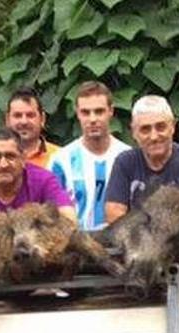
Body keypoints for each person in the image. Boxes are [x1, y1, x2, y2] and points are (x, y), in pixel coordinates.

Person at [104, 95, 179, 222]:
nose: (154, 137)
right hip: (136, 239)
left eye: (161, 127)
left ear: (173, 127)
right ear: (134, 132)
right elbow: (114, 215)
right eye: (145, 129)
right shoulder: (125, 162)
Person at [48, 81, 131, 230]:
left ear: (110, 111)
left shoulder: (128, 157)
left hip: (120, 248)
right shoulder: (60, 161)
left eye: (99, 111)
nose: (92, 119)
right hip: (74, 248)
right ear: (77, 113)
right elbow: (50, 213)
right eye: (86, 112)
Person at [0, 128, 75, 218]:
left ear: (23, 159)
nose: (3, 164)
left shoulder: (44, 180)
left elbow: (68, 218)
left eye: (10, 156)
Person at [5, 87, 60, 169]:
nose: (24, 121)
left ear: (42, 119)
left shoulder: (60, 157)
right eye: (17, 115)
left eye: (30, 115)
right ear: (7, 120)